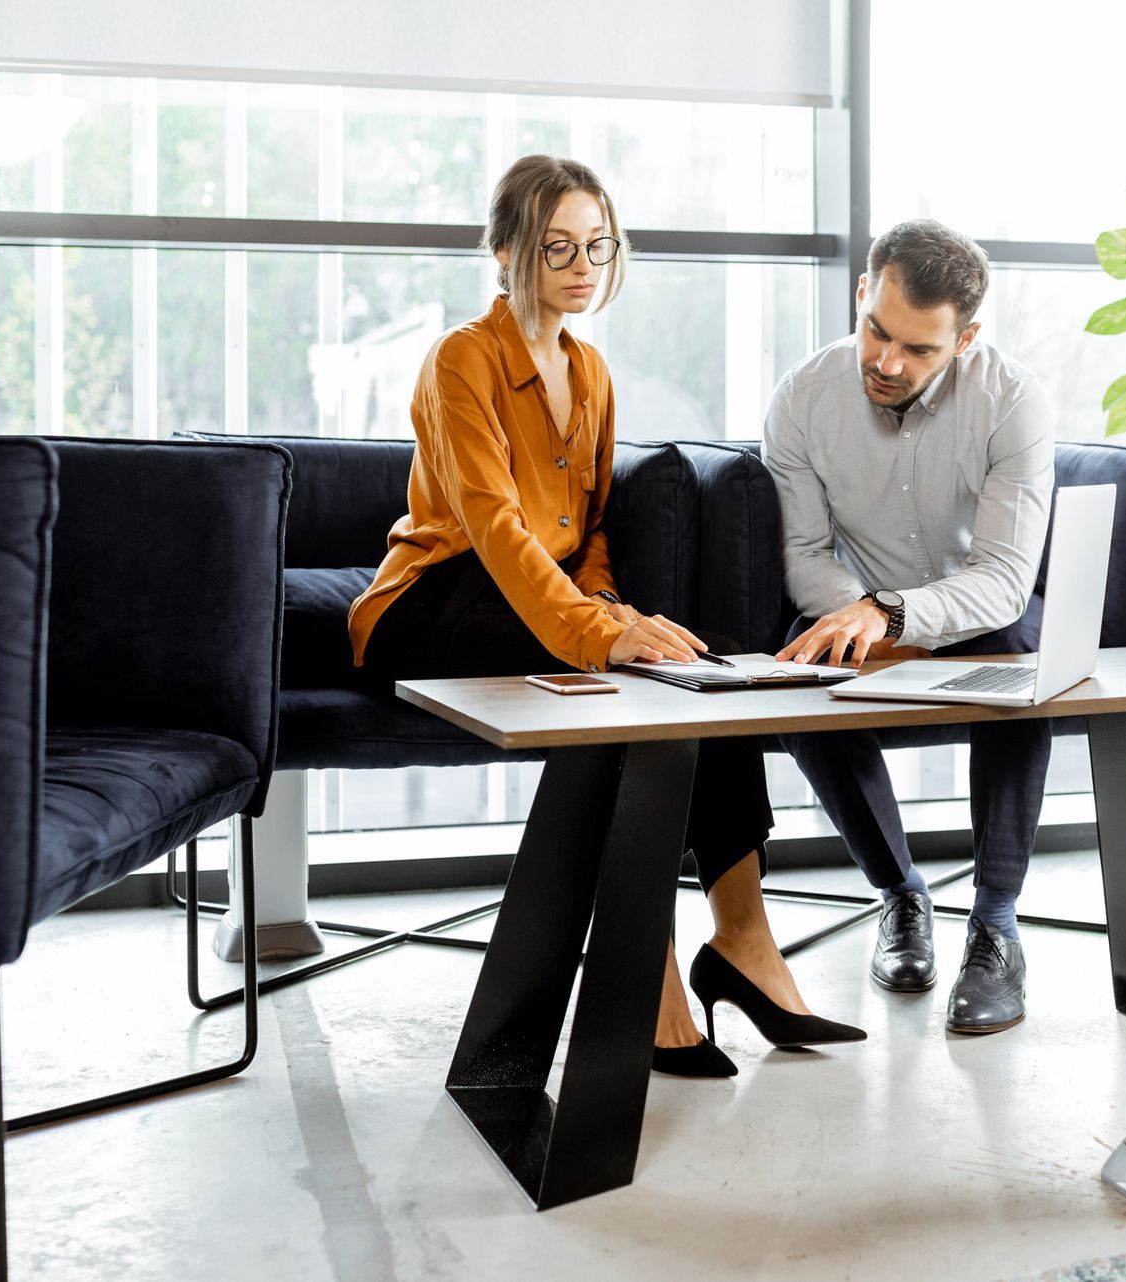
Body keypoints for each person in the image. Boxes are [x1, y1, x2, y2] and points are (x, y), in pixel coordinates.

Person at [348, 155, 861, 1076]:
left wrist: (613, 609)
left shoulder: (589, 372)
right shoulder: (463, 357)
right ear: (507, 250)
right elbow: (496, 529)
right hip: (433, 602)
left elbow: (583, 539)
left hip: (533, 600)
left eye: (597, 246)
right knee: (631, 682)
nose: (583, 267)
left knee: (720, 667)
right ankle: (648, 973)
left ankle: (743, 938)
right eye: (557, 249)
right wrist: (599, 635)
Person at [766, 219, 1056, 1035]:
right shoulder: (801, 397)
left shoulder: (1014, 403)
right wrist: (864, 616)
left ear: (965, 339)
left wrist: (903, 617)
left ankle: (996, 923)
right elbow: (804, 552)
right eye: (877, 332)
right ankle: (899, 896)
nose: (887, 364)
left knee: (1022, 660)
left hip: (973, 613)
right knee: (802, 660)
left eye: (919, 351)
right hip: (855, 606)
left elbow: (1004, 579)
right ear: (863, 294)